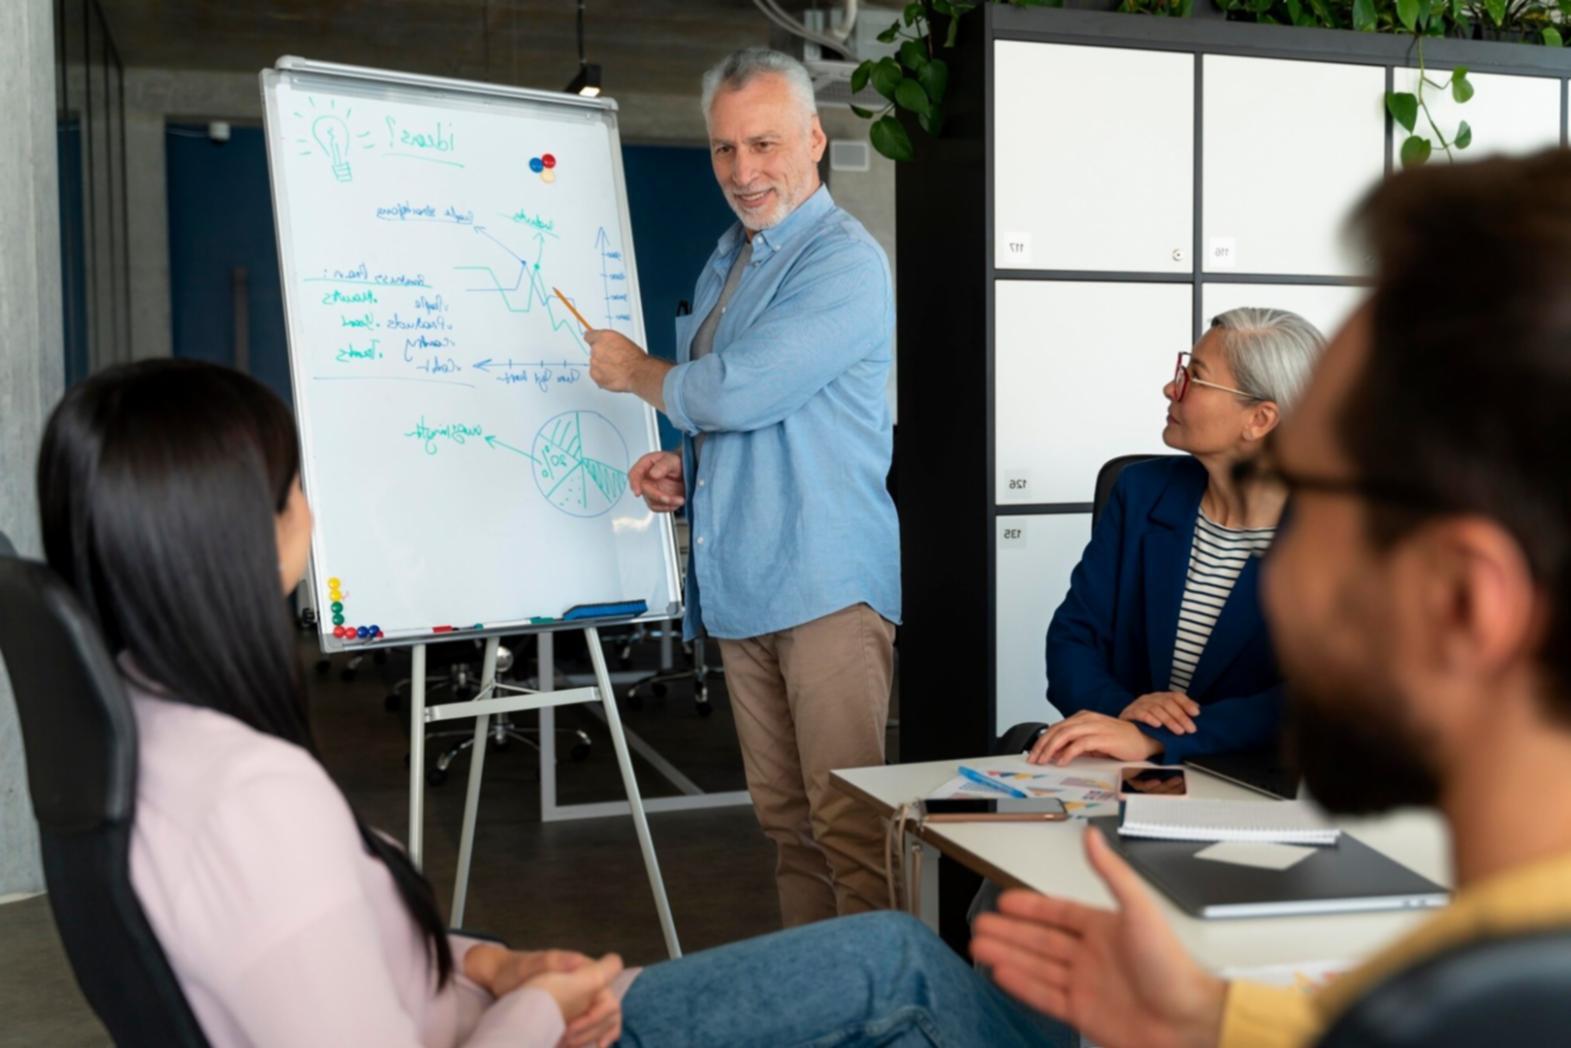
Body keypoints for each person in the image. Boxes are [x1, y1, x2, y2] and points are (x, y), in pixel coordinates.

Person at [34, 358, 1067, 1048]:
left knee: (882, 950)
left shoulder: (145, 736)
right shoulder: (252, 795)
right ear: (244, 530)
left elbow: (326, 962)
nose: (316, 504)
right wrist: (535, 1004)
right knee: (897, 964)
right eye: (297, 481)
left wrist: (489, 959)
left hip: (485, 1007)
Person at [972, 150, 1571, 1045]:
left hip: (1231, 797)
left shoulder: (1447, 1006)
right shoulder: (1453, 989)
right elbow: (1075, 637)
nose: (1287, 566)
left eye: (1334, 493)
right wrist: (1212, 1018)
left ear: (1464, 600)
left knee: (889, 973)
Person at [584, 48, 900, 926]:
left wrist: (638, 373)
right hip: (742, 588)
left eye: (763, 144)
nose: (743, 170)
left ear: (814, 139)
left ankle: (878, 1010)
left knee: (848, 828)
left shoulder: (842, 262)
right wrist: (691, 468)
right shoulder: (729, 257)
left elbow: (740, 389)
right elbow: (754, 417)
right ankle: (813, 1004)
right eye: (724, 149)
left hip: (825, 586)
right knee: (786, 826)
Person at [1027, 309, 1325, 766]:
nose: (1171, 389)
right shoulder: (1142, 491)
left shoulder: (1339, 535)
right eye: (1181, 372)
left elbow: (1319, 700)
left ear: (1260, 419)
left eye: (1196, 379)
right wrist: (1123, 710)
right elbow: (1073, 638)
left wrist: (1158, 737)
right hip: (1125, 773)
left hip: (1261, 788)